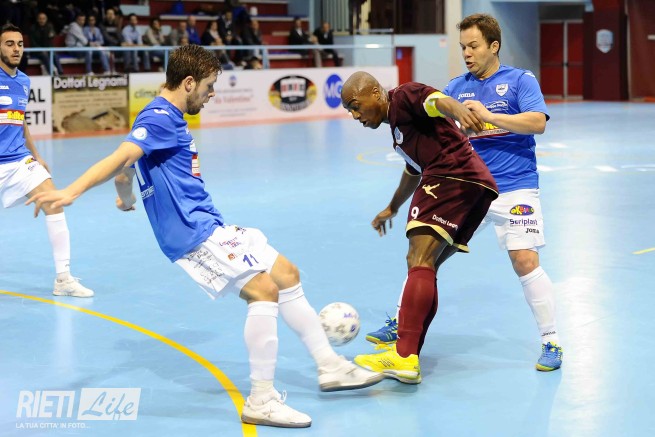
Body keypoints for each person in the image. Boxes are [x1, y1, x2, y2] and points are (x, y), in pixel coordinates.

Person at [27, 45, 383, 428]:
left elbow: (125, 172)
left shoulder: (165, 118)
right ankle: (262, 400)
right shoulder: (161, 117)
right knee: (264, 291)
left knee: (286, 273)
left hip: (212, 223)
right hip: (192, 233)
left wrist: (125, 199)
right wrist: (70, 192)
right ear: (188, 82)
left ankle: (330, 366)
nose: (212, 94)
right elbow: (121, 157)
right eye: (209, 86)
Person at [366, 13, 563, 372]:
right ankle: (400, 322)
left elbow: (537, 123)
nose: (467, 54)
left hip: (515, 186)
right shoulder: (455, 88)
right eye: (463, 48)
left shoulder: (520, 80)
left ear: (494, 46)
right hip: (467, 187)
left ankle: (551, 341)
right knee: (424, 256)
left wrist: (490, 117)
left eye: (474, 46)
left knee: (524, 260)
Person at [340, 71, 498, 383]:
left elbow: (436, 101)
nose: (355, 115)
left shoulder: (404, 96)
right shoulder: (399, 128)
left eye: (356, 106)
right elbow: (413, 171)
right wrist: (392, 207)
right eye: (350, 111)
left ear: (375, 93)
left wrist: (459, 110)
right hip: (473, 185)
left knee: (419, 259)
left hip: (451, 176)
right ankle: (408, 353)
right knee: (425, 266)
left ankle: (403, 356)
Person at [0, 24, 93, 298]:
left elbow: (20, 121)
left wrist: (37, 155)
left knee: (54, 201)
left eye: (19, 44)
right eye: (9, 44)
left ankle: (63, 278)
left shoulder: (23, 81)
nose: (16, 49)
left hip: (18, 159)